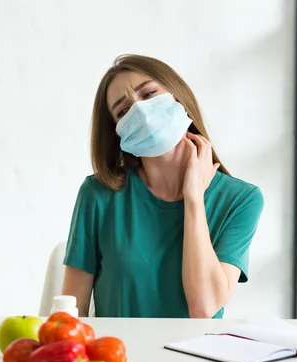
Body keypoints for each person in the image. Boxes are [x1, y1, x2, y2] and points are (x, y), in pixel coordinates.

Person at [61, 54, 264, 318]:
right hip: (118, 357)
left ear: (178, 96)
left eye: (148, 94)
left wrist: (193, 198)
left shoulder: (240, 199)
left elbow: (203, 307)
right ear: (118, 132)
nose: (140, 111)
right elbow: (68, 314)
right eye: (123, 111)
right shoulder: (99, 194)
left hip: (197, 357)